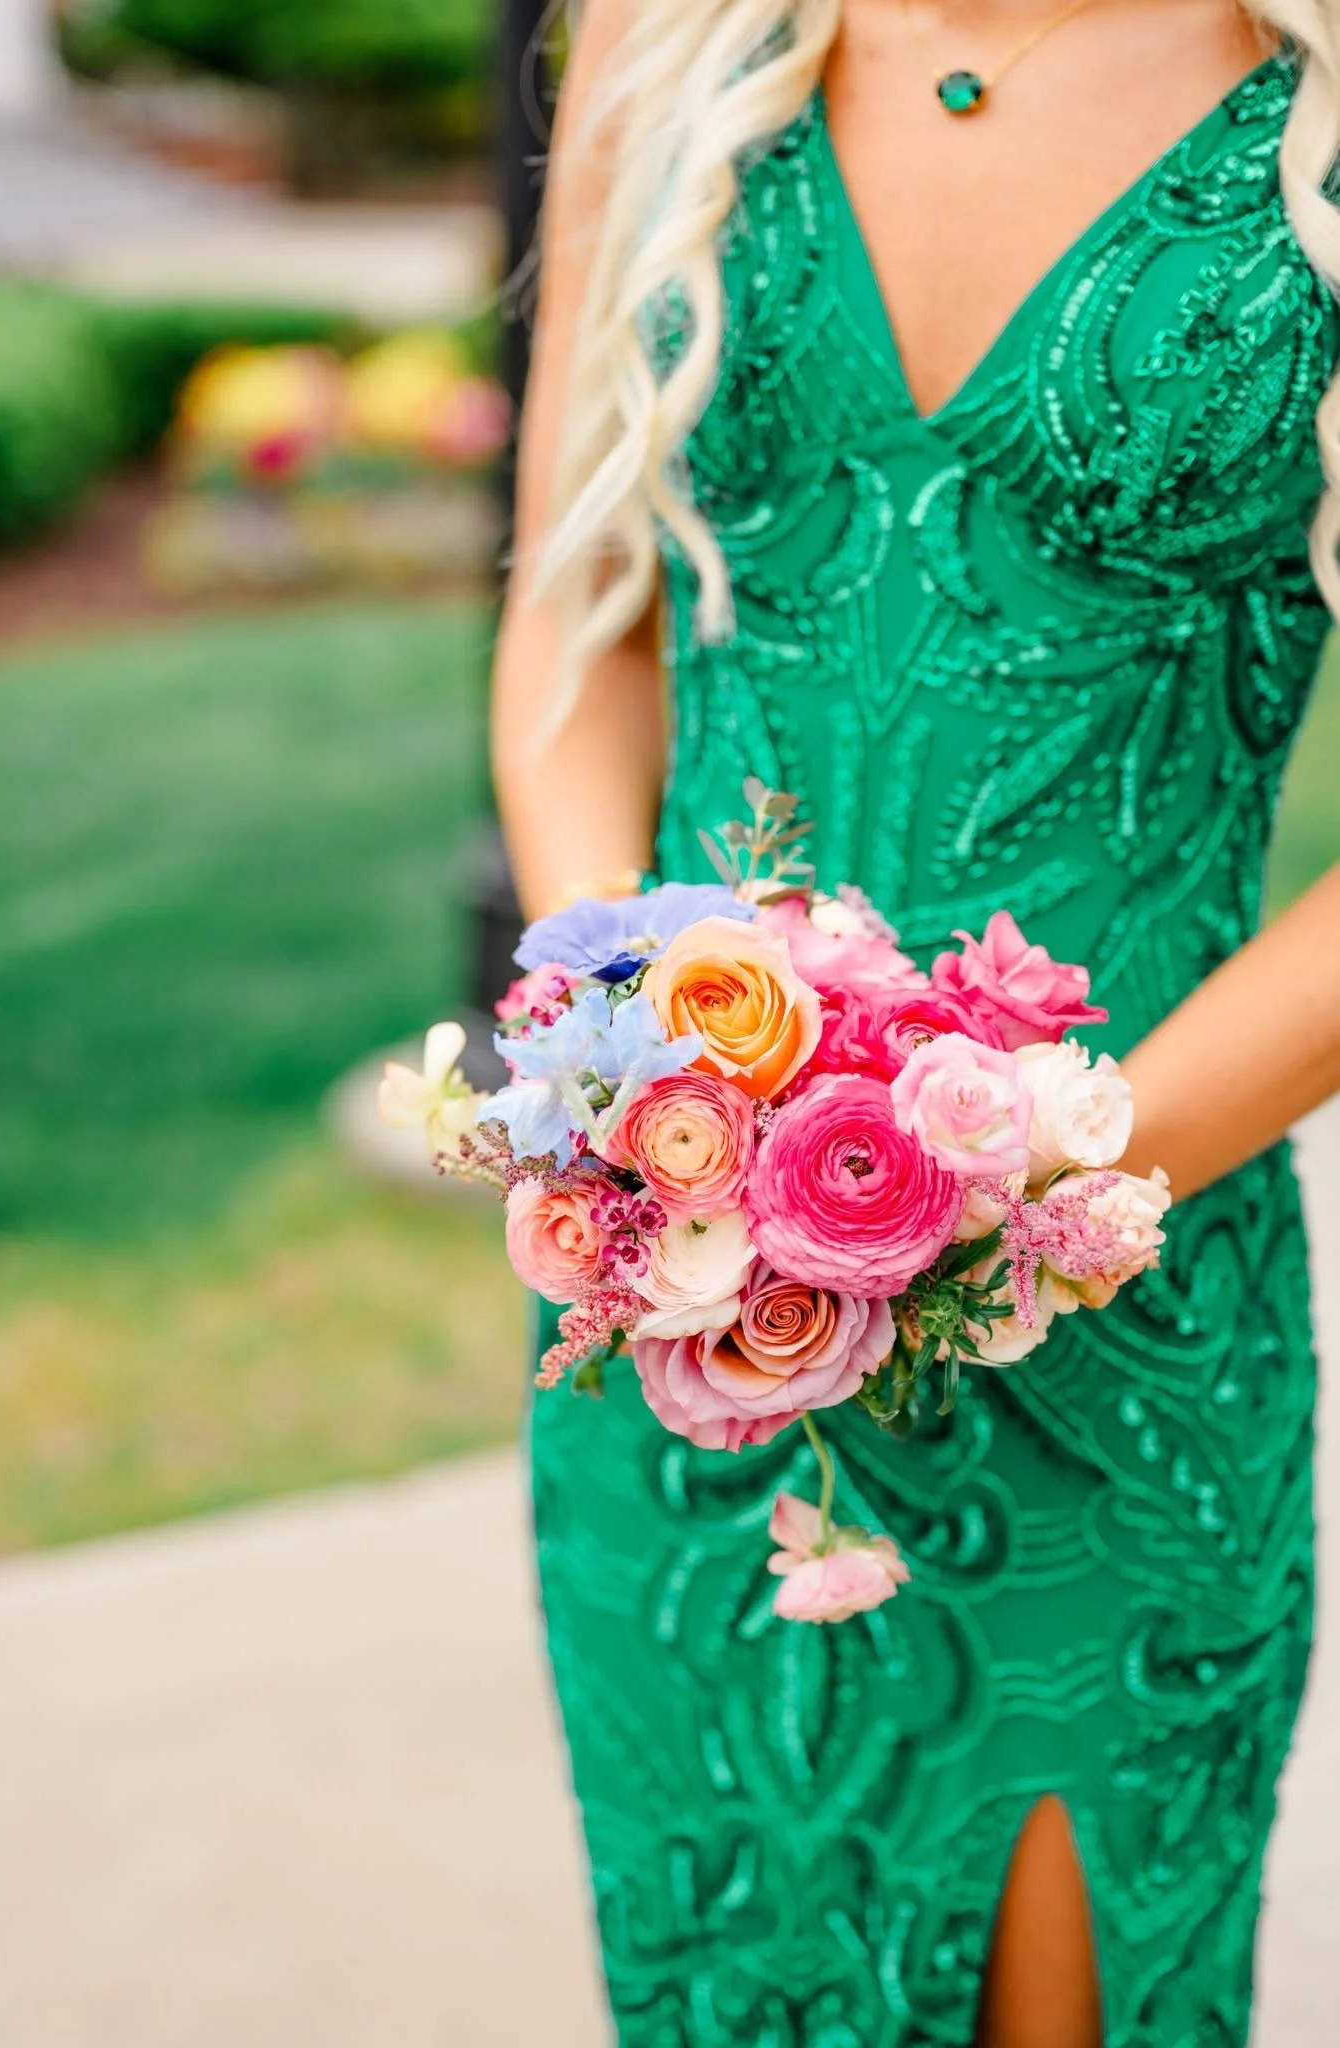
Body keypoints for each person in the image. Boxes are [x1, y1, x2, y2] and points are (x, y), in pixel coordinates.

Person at [490, 1, 1340, 2041]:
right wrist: (632, 1065)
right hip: (684, 1335)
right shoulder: (673, 33)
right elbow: (572, 616)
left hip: (1118, 1323)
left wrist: (1011, 1188)